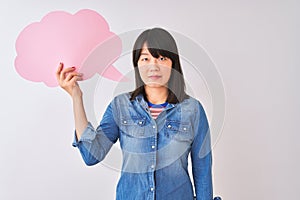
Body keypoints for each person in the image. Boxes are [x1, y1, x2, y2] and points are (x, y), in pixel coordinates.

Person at [56, 27, 213, 200]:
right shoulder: (120, 106)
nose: (153, 66)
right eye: (145, 58)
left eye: (161, 58)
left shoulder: (193, 110)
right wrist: (76, 97)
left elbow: (203, 171)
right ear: (137, 64)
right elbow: (91, 155)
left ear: (173, 63)